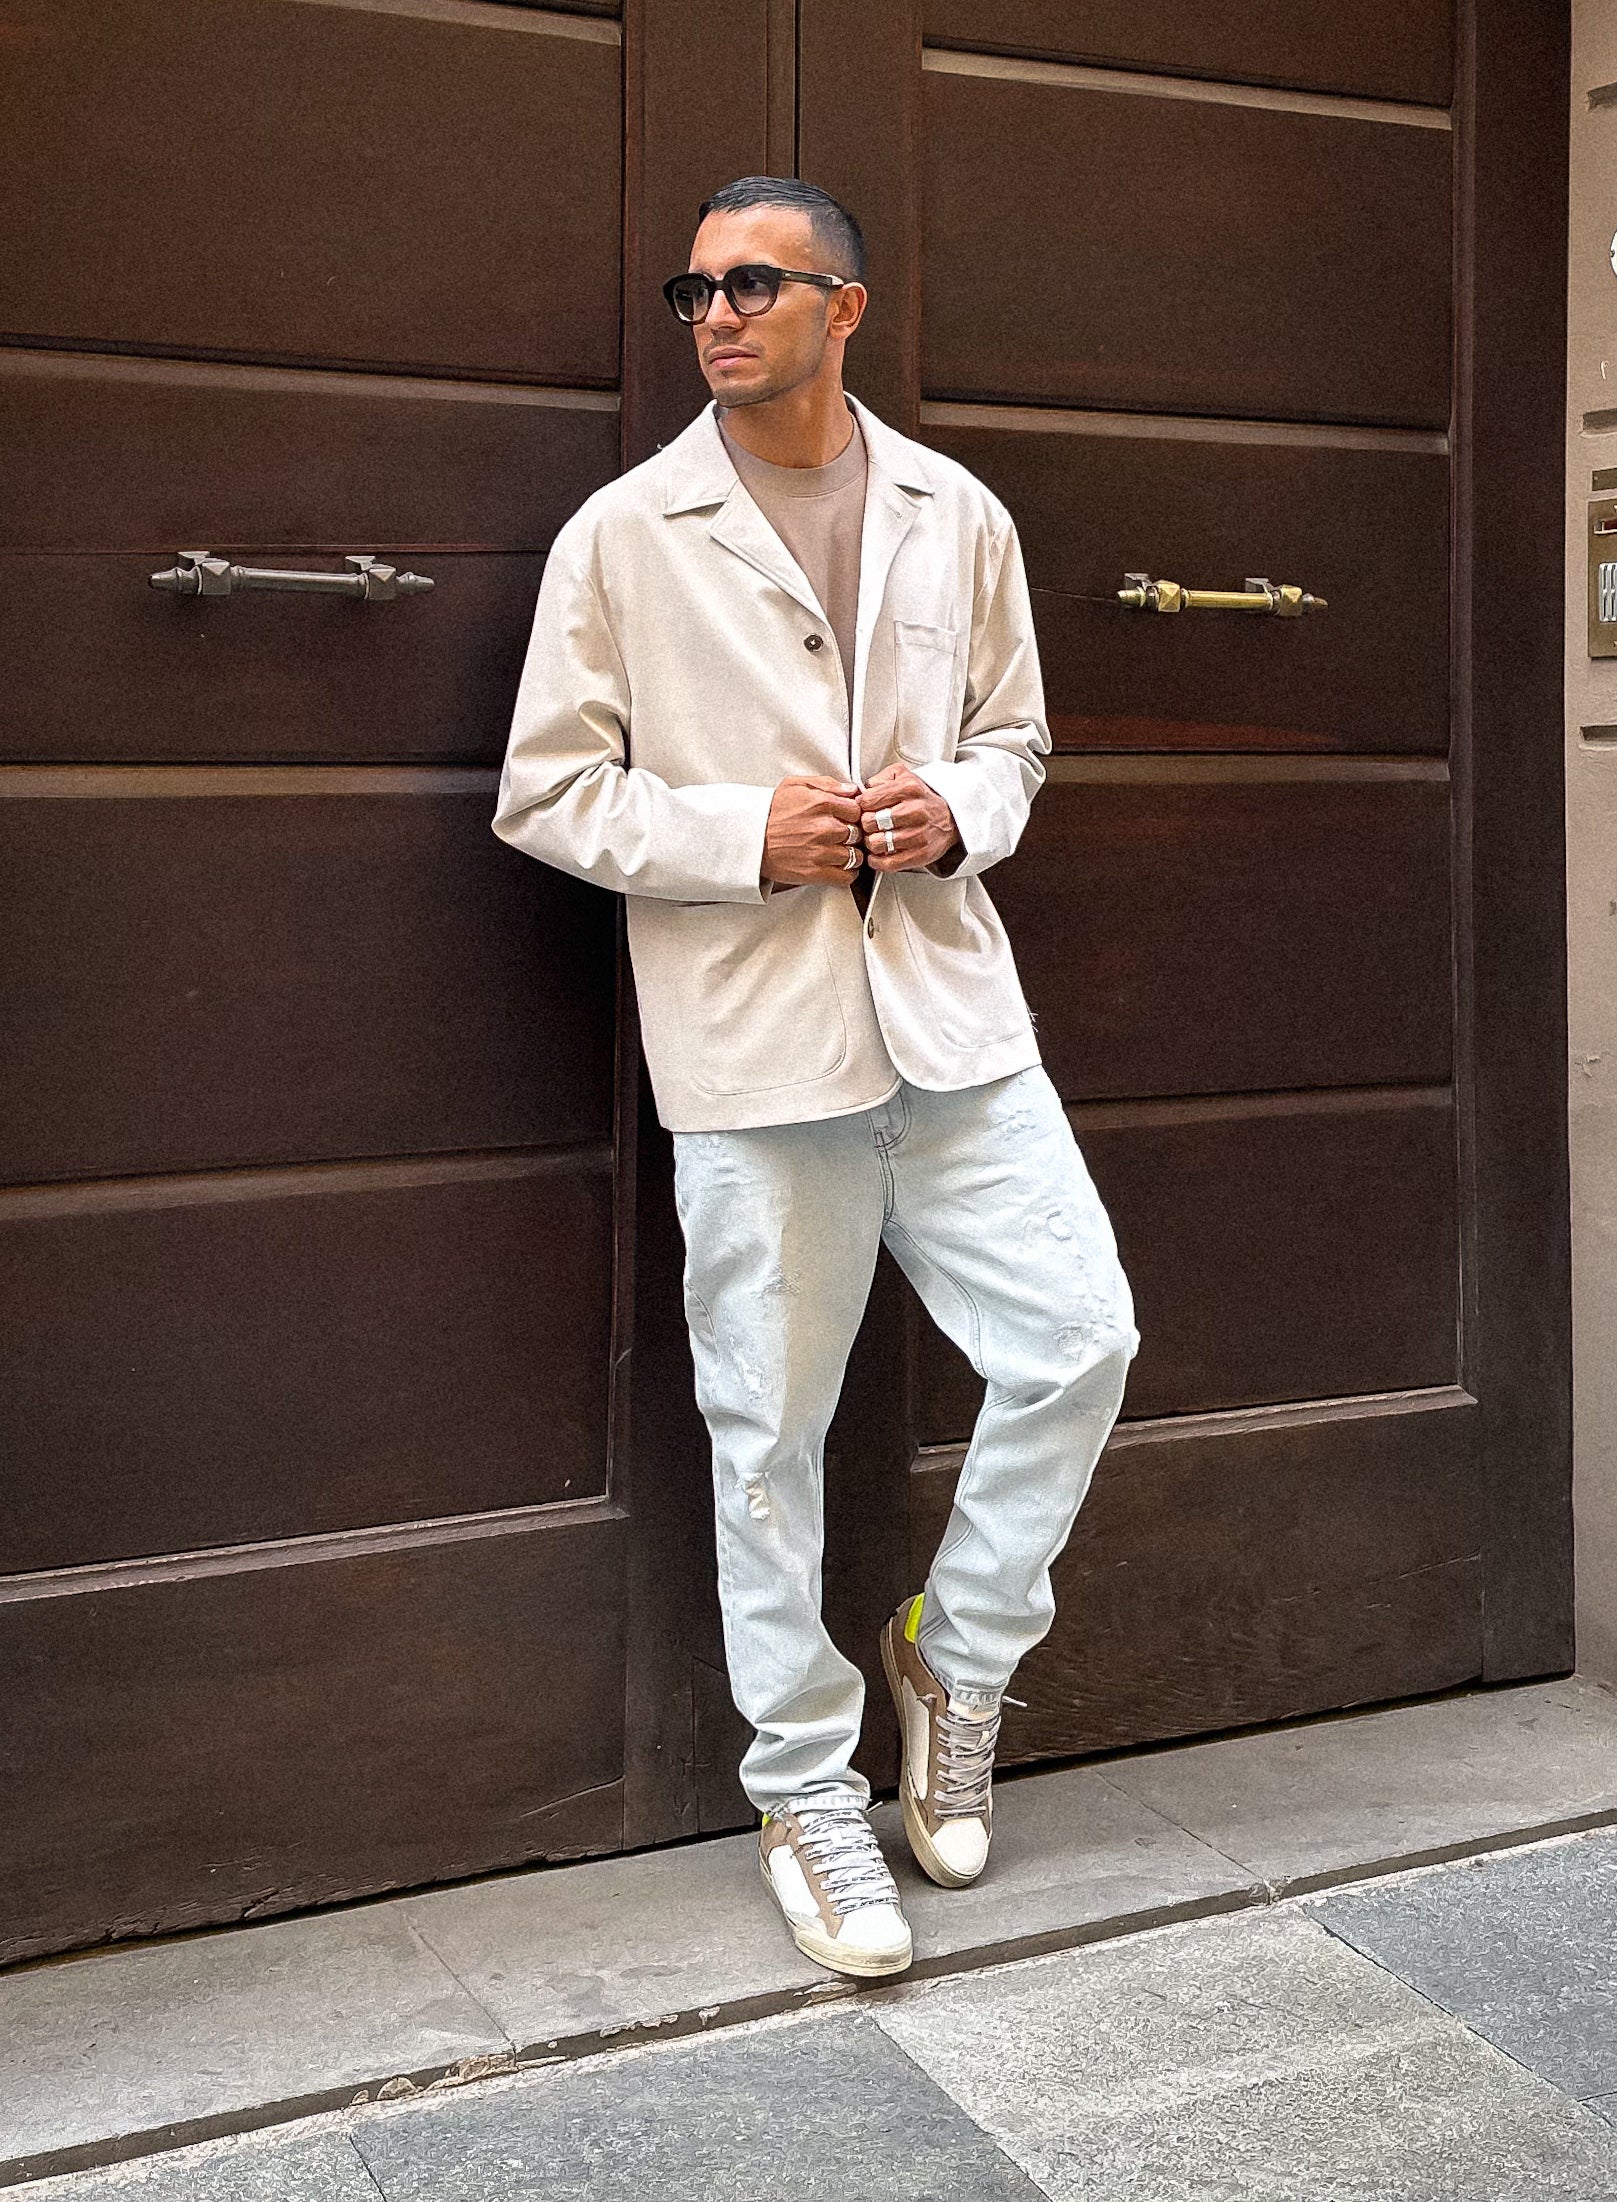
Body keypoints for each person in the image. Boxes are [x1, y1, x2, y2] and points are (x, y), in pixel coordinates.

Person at [493, 175, 1139, 1980]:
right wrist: (737, 836)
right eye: (696, 289)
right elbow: (545, 790)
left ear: (843, 308)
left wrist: (960, 811)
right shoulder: (626, 533)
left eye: (754, 284)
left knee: (1080, 1338)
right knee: (766, 1439)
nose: (716, 314)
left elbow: (1015, 738)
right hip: (756, 1046)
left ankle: (960, 1652)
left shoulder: (958, 513)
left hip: (953, 1021)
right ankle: (802, 1790)